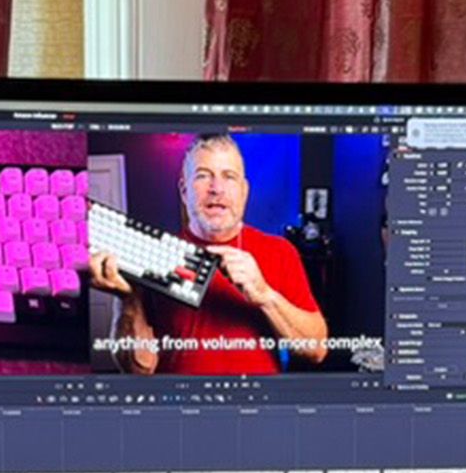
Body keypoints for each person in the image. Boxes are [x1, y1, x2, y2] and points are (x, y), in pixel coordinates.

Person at [88, 134, 327, 375]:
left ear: (244, 192)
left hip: (254, 406)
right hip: (180, 406)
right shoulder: (153, 257)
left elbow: (317, 350)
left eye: (229, 177)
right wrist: (127, 300)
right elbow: (140, 369)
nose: (216, 189)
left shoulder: (280, 252)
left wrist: (265, 295)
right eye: (203, 176)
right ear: (184, 191)